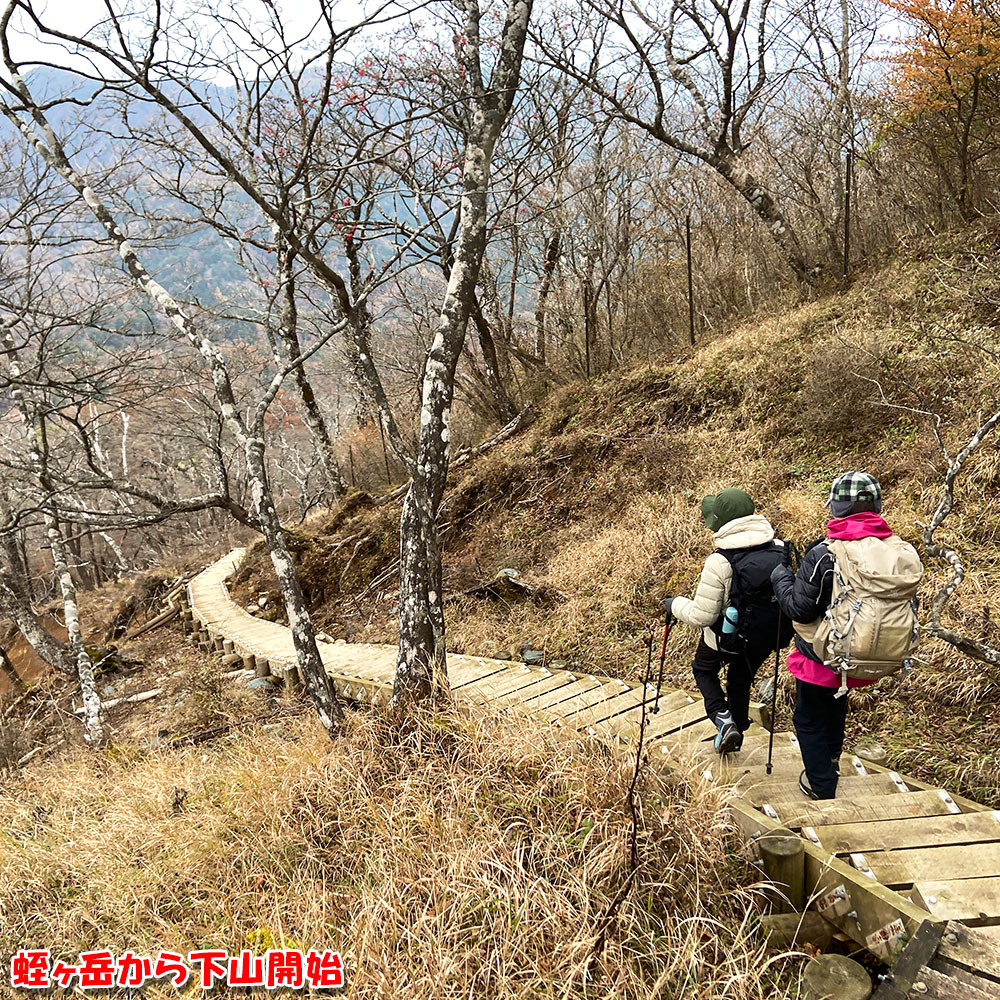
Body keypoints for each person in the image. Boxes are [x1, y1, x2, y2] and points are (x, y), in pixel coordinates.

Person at [770, 471, 903, 800]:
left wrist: (781, 577)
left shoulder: (827, 553)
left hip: (824, 656)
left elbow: (800, 609)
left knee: (808, 718)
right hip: (873, 651)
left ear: (837, 509)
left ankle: (821, 786)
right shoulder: (893, 550)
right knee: (835, 707)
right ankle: (830, 762)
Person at [663, 488, 788, 754]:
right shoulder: (779, 548)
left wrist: (674, 604)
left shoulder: (720, 561)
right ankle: (739, 725)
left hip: (726, 638)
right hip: (766, 635)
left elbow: (702, 615)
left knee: (703, 669)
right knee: (741, 676)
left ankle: (723, 719)